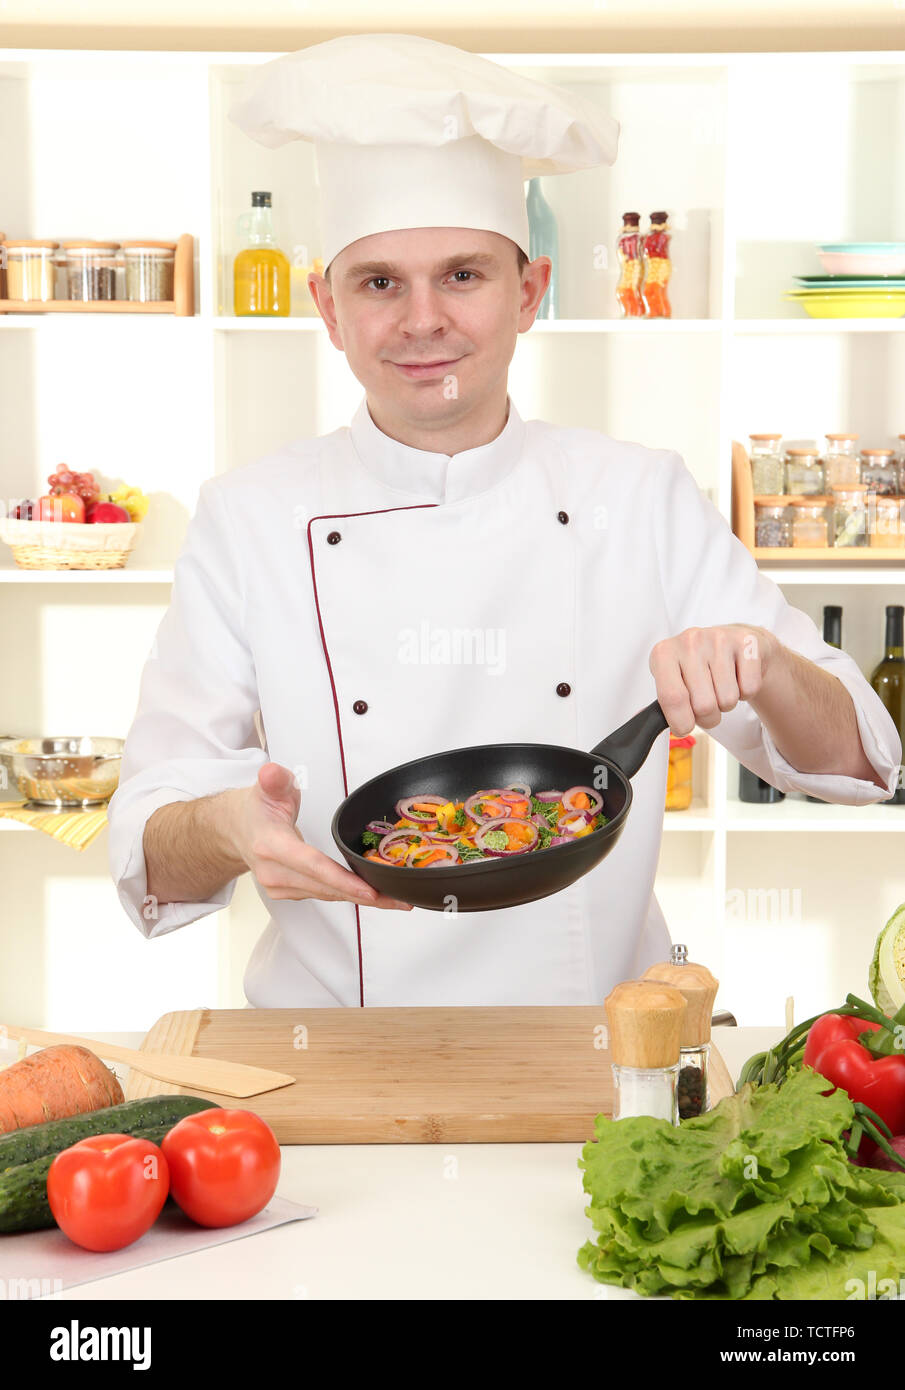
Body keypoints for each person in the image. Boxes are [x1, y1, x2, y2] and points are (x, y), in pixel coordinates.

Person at [106, 34, 901, 1009]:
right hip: (335, 1049)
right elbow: (149, 848)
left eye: (463, 275)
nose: (421, 320)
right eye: (378, 282)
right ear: (326, 308)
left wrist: (764, 665)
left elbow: (858, 758)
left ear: (529, 292)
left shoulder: (638, 496)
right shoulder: (249, 517)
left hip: (600, 1050)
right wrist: (229, 826)